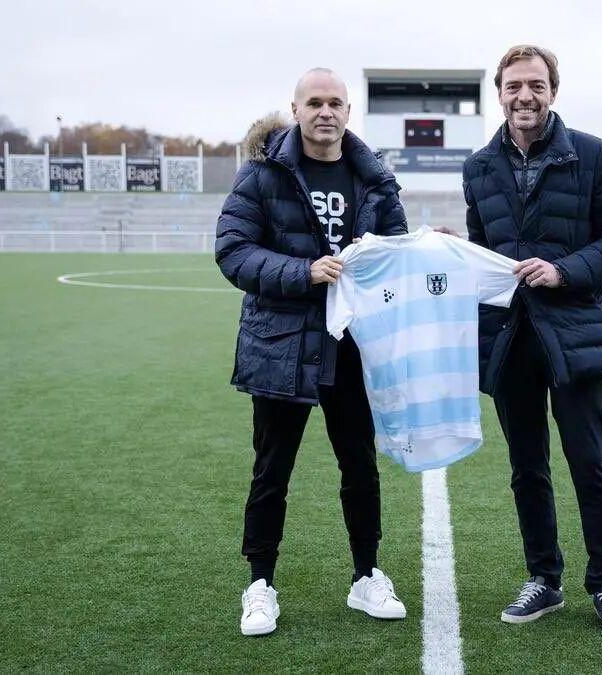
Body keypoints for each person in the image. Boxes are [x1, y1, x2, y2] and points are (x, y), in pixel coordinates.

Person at [215, 68, 408, 636]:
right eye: (315, 102)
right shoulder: (262, 175)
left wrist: (427, 249)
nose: (326, 112)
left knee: (360, 466)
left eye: (336, 103)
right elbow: (233, 250)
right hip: (282, 345)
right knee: (272, 469)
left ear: (348, 112)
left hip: (353, 347)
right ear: (296, 109)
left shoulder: (375, 180)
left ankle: (366, 576)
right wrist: (303, 272)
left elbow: (395, 254)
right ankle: (260, 585)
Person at [461, 45, 602, 636]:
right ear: (500, 94)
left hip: (576, 334)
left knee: (590, 463)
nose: (525, 96)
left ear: (553, 92)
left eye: (536, 85)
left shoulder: (592, 155)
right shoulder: (478, 167)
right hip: (511, 338)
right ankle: (544, 578)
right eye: (514, 86)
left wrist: (563, 271)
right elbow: (483, 251)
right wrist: (453, 250)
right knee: (527, 468)